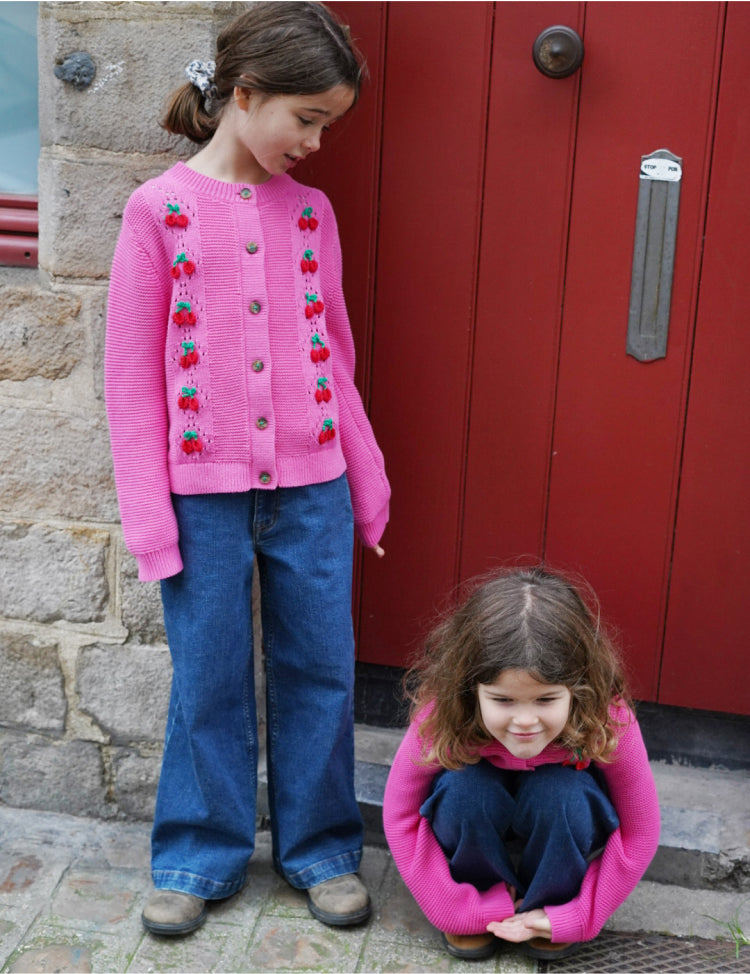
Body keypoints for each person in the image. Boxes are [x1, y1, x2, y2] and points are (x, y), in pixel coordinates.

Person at [104, 2, 390, 937]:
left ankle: (322, 850)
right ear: (246, 93)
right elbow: (130, 379)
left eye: (328, 125)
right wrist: (150, 517)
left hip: (312, 490)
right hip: (201, 503)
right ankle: (198, 851)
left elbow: (332, 355)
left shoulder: (313, 215)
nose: (315, 141)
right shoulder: (160, 211)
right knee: (209, 676)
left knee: (320, 668)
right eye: (305, 118)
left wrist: (366, 477)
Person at [383, 567, 660, 962]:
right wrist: (452, 907)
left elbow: (641, 832)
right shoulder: (441, 712)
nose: (525, 721)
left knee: (561, 794)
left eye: (546, 700)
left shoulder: (607, 717)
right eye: (503, 700)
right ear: (470, 687)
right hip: (476, 814)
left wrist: (579, 915)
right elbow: (400, 816)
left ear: (578, 687)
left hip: (560, 817)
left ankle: (548, 903)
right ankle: (479, 896)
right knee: (464, 791)